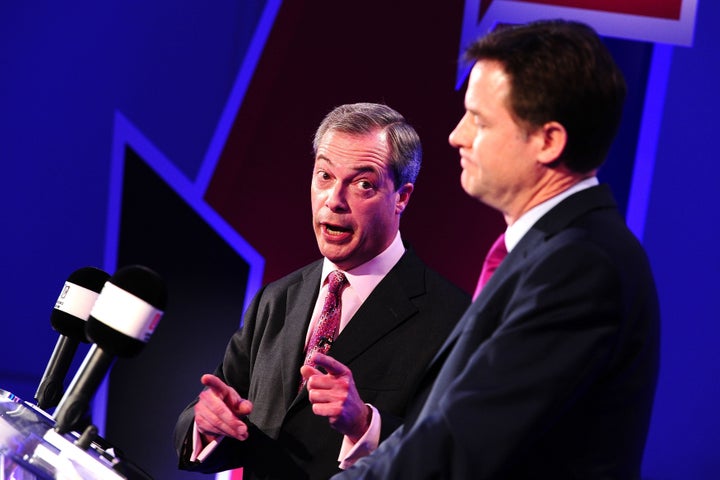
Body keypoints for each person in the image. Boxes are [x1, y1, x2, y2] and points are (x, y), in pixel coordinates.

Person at [333, 19, 660, 479]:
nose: (456, 135)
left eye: (479, 120)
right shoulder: (553, 253)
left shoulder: (582, 265)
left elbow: (460, 442)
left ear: (548, 140)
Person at [174, 102, 470, 479]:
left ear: (402, 196)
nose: (334, 200)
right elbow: (217, 413)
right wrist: (208, 425)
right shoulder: (276, 299)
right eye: (325, 176)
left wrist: (364, 425)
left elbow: (456, 457)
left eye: (363, 184)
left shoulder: (451, 317)